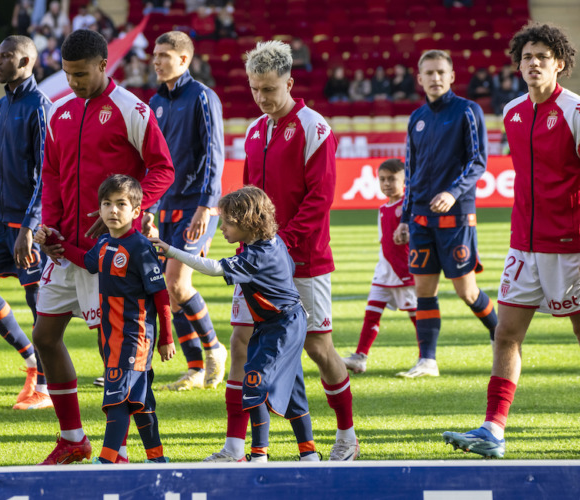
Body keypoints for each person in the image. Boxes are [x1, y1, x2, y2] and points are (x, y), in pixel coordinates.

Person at [205, 40, 359, 463]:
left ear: (289, 82)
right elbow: (248, 198)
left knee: (318, 349)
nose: (262, 98)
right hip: (259, 263)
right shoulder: (255, 131)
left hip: (305, 260)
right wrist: (239, 233)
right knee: (240, 342)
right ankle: (235, 446)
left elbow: (319, 198)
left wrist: (281, 248)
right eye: (255, 89)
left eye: (269, 89)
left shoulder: (315, 128)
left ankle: (346, 437)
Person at [31, 29, 173, 465]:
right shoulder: (59, 113)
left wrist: (132, 210)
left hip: (111, 253)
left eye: (81, 74)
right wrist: (50, 226)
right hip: (66, 250)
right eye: (67, 74)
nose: (73, 82)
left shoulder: (132, 109)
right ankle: (73, 438)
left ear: (102, 65)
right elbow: (52, 175)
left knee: (111, 348)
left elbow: (162, 169)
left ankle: (123, 448)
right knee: (44, 336)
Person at [443, 23, 579, 459]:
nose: (534, 63)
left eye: (543, 56)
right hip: (524, 245)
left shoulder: (576, 112)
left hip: (571, 247)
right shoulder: (512, 111)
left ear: (559, 63)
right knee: (506, 334)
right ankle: (493, 429)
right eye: (527, 57)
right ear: (518, 66)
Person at [153, 186, 319, 462]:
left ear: (249, 223)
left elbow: (215, 268)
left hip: (282, 325)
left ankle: (258, 456)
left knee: (253, 382)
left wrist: (172, 251)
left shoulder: (256, 256)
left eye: (227, 223)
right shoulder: (272, 243)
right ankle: (309, 453)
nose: (222, 229)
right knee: (293, 389)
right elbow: (288, 267)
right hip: (281, 322)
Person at [39, 175, 174, 464]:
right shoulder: (102, 243)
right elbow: (86, 261)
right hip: (110, 335)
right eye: (107, 204)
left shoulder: (140, 248)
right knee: (142, 402)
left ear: (136, 212)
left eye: (121, 204)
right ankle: (157, 459)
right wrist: (52, 240)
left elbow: (161, 296)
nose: (113, 210)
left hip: (134, 338)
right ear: (99, 209)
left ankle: (108, 460)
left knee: (117, 399)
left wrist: (166, 338)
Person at [393, 50, 498, 378]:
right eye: (429, 73)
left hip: (456, 216)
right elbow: (411, 172)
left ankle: (502, 336)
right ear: (420, 78)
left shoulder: (468, 111)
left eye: (441, 72)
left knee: (466, 292)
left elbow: (477, 161)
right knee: (423, 290)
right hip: (421, 218)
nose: (435, 78)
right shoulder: (416, 118)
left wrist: (452, 193)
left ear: (452, 76)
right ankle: (428, 361)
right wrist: (404, 218)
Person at [0, 35, 51, 411]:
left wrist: (30, 226)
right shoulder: (0, 107)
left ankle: (46, 389)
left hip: (25, 224)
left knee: (38, 303)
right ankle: (32, 359)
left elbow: (46, 175)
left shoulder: (40, 107)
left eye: (6, 57)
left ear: (26, 62)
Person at [148, 31, 227, 392]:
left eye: (165, 55)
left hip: (197, 205)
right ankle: (195, 367)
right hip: (166, 206)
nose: (156, 60)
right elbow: (153, 162)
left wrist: (207, 207)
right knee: (172, 289)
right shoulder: (154, 101)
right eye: (155, 54)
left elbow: (214, 154)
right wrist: (148, 205)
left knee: (176, 283)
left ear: (184, 60)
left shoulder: (203, 97)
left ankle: (213, 350)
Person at [342, 159, 417, 373]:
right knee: (371, 313)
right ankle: (360, 357)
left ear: (404, 181)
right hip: (384, 271)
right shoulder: (383, 208)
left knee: (417, 316)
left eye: (392, 179)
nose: (386, 183)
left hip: (404, 271)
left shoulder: (407, 207)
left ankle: (426, 357)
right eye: (382, 179)